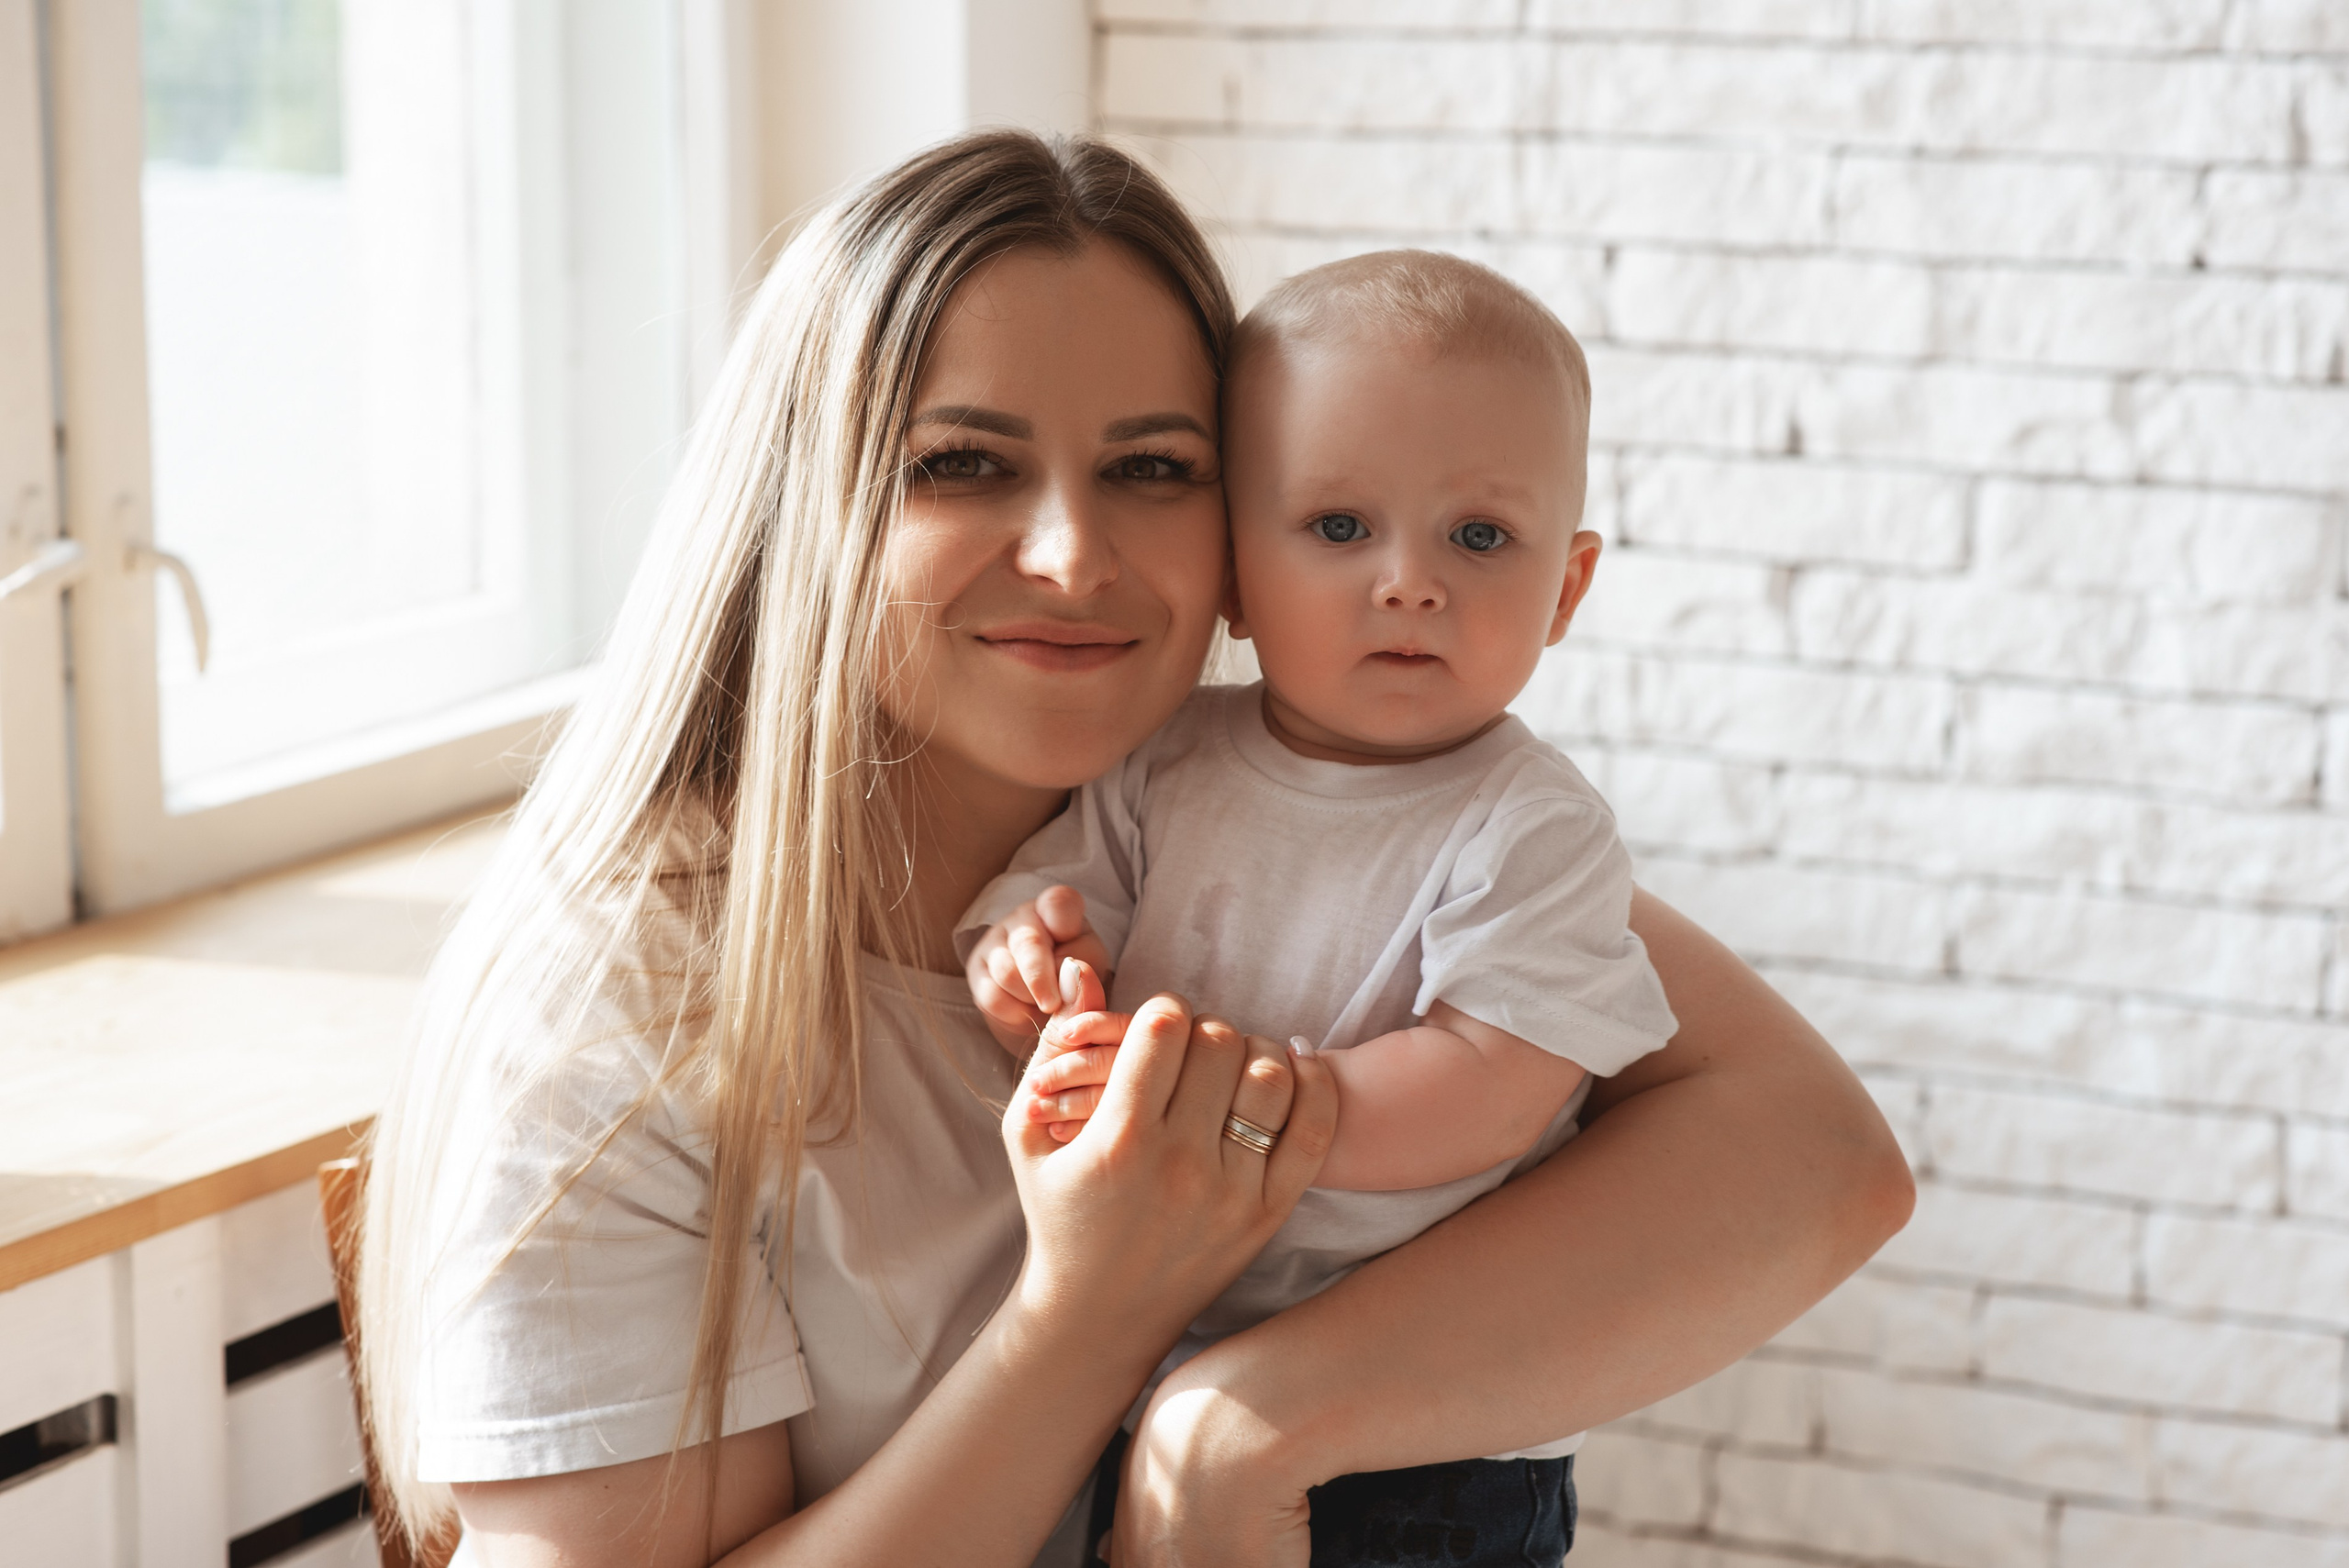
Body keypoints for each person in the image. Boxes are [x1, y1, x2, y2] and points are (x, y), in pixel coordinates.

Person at [354, 130, 1913, 1568]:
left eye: (1153, 469)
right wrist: (1086, 1315)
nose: (1073, 555)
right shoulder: (623, 1001)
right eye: (961, 462)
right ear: (801, 511)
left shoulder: (1290, 816)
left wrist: (1244, 1425)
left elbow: (1820, 1160)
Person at [962, 250, 1664, 1563]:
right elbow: (1067, 905)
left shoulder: (1532, 825)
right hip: (1155, 1354)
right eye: (1341, 528)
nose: (1409, 582)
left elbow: (1496, 1082)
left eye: (1479, 537)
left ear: (1565, 591)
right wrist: (1029, 961)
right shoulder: (1166, 757)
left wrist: (1254, 1107)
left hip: (1420, 1433)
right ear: (1234, 571)